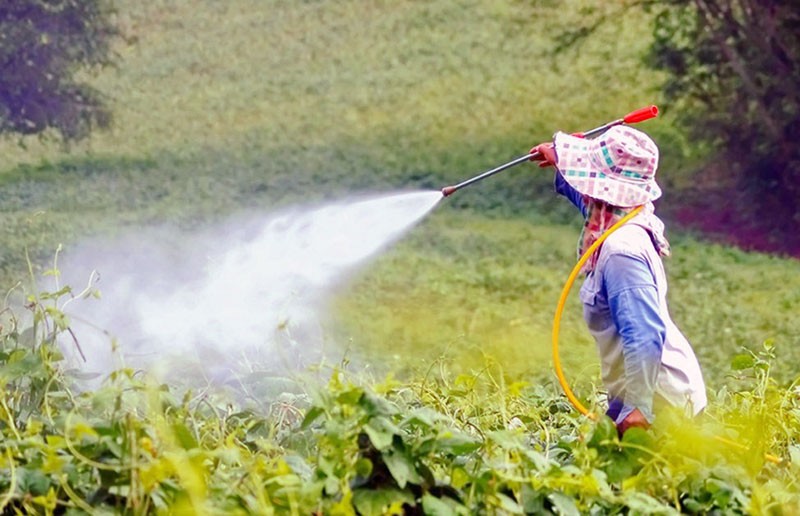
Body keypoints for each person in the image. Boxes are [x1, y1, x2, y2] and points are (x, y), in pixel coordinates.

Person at [530, 125, 706, 435]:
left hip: (660, 403)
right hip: (643, 393)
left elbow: (644, 334)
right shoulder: (620, 216)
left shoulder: (621, 251)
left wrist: (639, 408)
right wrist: (560, 161)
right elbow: (587, 200)